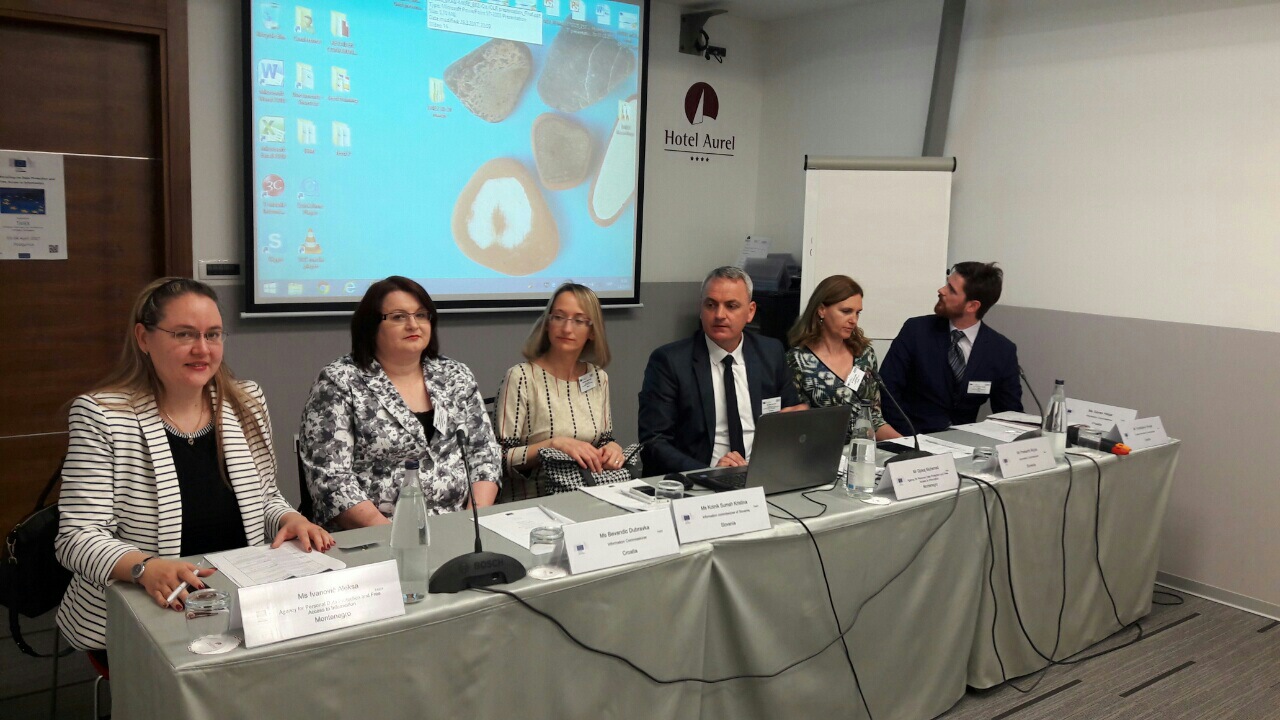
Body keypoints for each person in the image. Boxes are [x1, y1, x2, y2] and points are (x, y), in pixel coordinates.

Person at [55, 278, 332, 653]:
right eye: (184, 334)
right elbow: (76, 537)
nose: (202, 349)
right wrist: (144, 567)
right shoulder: (102, 415)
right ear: (144, 338)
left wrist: (289, 519)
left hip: (239, 603)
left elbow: (265, 497)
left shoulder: (246, 401)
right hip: (144, 612)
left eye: (213, 335)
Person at [300, 276, 502, 528]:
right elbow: (331, 481)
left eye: (421, 315)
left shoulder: (455, 375)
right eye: (398, 317)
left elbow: (484, 454)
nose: (413, 324)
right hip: (377, 533)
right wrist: (396, 538)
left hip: (459, 526)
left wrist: (473, 523)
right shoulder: (339, 382)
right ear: (370, 326)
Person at [638, 266, 805, 475]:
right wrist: (709, 473)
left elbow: (791, 416)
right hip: (700, 477)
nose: (719, 315)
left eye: (731, 306)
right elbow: (654, 441)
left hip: (763, 473)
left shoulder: (770, 353)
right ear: (701, 309)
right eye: (711, 305)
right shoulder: (670, 361)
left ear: (750, 311)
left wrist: (799, 421)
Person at [495, 283, 624, 491]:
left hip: (589, 492)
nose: (566, 328)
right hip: (536, 497)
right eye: (559, 317)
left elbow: (604, 440)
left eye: (579, 320)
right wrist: (554, 445)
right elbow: (498, 459)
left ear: (592, 331)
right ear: (547, 323)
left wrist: (612, 448)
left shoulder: (598, 377)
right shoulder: (521, 377)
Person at [878, 261, 1023, 433]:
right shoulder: (916, 331)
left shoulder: (1001, 350)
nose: (941, 290)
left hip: (963, 442)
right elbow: (887, 390)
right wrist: (908, 437)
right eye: (947, 283)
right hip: (910, 437)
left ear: (972, 306)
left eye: (952, 290)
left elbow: (1008, 415)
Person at [786, 275, 903, 440]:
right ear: (821, 310)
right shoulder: (798, 360)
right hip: (821, 449)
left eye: (857, 313)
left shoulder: (864, 355)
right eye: (846, 311)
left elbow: (874, 419)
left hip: (863, 448)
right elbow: (795, 423)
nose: (853, 320)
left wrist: (907, 444)